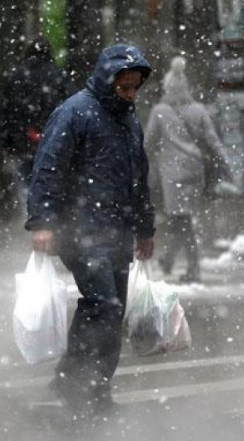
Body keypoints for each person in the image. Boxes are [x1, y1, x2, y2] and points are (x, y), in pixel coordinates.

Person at [25, 44, 155, 418]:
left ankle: (96, 389)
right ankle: (74, 380)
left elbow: (138, 177)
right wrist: (42, 221)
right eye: (124, 87)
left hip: (116, 232)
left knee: (113, 313)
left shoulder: (128, 119)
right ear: (107, 80)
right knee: (103, 305)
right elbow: (48, 167)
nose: (130, 94)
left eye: (135, 87)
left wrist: (145, 228)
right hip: (80, 230)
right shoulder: (75, 112)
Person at [145, 56, 231, 283]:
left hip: (173, 173)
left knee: (181, 220)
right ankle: (168, 260)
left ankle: (193, 269)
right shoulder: (198, 110)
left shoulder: (160, 111)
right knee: (181, 217)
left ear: (167, 88)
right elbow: (213, 141)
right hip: (195, 170)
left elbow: (148, 143)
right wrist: (226, 165)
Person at [1, 36, 70, 211]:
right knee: (50, 180)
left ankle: (30, 216)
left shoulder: (16, 76)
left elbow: (8, 111)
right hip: (52, 139)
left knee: (25, 180)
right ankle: (47, 216)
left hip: (24, 140)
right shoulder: (59, 75)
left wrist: (8, 142)